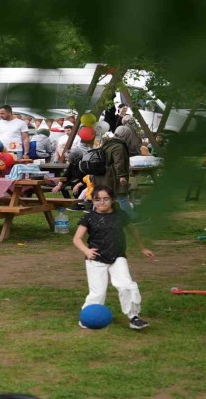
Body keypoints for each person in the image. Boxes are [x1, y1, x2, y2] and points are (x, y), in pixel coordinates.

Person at [72, 186, 155, 330]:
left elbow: (133, 231)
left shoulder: (120, 215)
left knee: (126, 285)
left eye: (106, 199)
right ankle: (87, 317)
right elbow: (77, 238)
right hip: (96, 259)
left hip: (117, 256)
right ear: (93, 200)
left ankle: (134, 317)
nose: (102, 202)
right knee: (98, 292)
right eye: (97, 199)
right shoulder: (89, 217)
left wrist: (142, 247)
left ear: (112, 200)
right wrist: (86, 250)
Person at [93, 129, 135, 220]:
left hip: (103, 175)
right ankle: (132, 218)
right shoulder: (118, 146)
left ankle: (95, 217)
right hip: (113, 176)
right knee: (122, 198)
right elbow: (119, 162)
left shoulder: (107, 143)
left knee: (102, 196)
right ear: (126, 135)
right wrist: (122, 176)